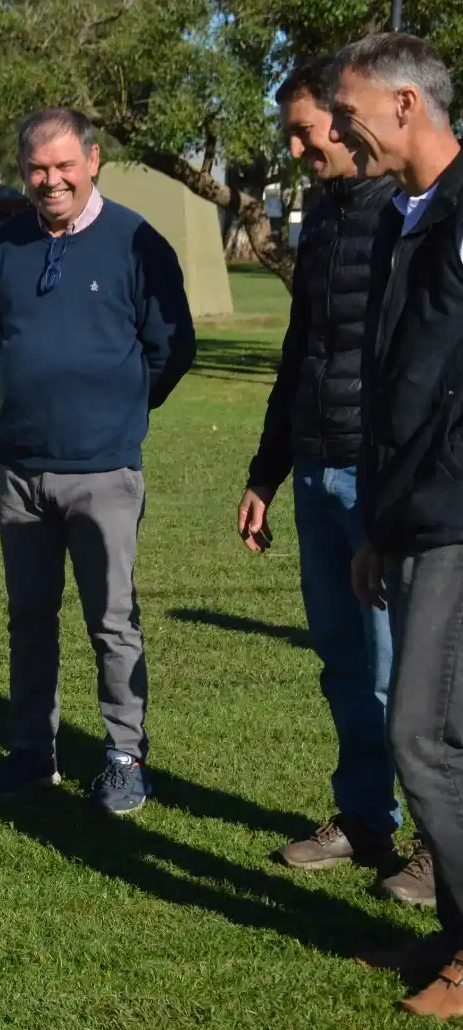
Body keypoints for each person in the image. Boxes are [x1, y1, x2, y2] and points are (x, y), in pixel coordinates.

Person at [238, 58, 433, 901]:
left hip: (382, 477)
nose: (296, 145)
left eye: (305, 128)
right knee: (341, 663)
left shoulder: (410, 214)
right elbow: (299, 352)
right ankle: (362, 817)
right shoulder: (318, 219)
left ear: (347, 121)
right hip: (317, 466)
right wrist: (266, 471)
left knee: (401, 673)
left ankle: (436, 843)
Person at [0, 107, 196, 814]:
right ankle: (32, 754)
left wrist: (120, 412)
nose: (50, 180)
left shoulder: (136, 241)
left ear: (91, 160)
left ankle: (125, 757)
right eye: (37, 169)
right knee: (29, 618)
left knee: (111, 620)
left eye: (63, 165)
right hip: (20, 466)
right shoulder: (5, 243)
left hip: (103, 470)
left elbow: (172, 347)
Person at [331, 32, 463, 1017]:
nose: (339, 128)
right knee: (431, 731)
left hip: (457, 510)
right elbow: (391, 382)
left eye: (349, 112)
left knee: (423, 733)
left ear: (407, 107)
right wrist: (378, 519)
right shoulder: (393, 216)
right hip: (408, 510)